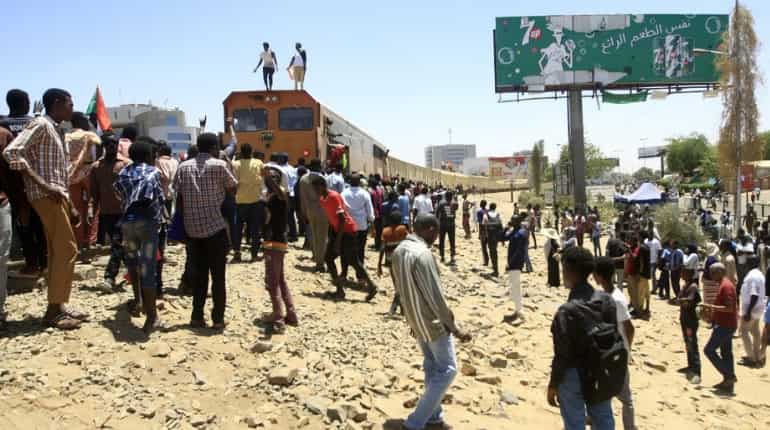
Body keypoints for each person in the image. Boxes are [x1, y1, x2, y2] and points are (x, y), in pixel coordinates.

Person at [2, 88, 87, 330]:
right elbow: (12, 152)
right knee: (67, 250)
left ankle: (58, 305)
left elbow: (59, 174)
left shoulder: (55, 129)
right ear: (58, 103)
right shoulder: (41, 124)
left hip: (56, 196)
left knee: (58, 251)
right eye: (70, 104)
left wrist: (70, 205)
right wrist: (42, 184)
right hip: (45, 196)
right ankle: (53, 311)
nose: (72, 109)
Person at [390, 213, 472, 430]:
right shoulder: (422, 254)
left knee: (431, 366)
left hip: (415, 320)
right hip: (432, 323)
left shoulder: (399, 250)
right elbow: (435, 297)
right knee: (448, 369)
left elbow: (400, 289)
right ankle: (415, 421)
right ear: (430, 230)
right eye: (436, 233)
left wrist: (410, 318)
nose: (437, 237)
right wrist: (454, 328)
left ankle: (433, 416)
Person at [548, 246, 616, 430]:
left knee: (574, 424)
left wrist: (553, 384)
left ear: (569, 271)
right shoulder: (607, 300)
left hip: (573, 375)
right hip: (601, 370)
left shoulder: (566, 311)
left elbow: (562, 355)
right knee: (604, 419)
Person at [174, 133, 237, 330]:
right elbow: (233, 188)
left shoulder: (183, 167)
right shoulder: (219, 165)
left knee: (199, 275)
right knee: (218, 277)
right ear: (214, 148)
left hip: (192, 231)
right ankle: (218, 319)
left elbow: (179, 197)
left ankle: (196, 316)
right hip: (215, 228)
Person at [114, 138, 165, 334]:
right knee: (147, 268)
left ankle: (138, 301)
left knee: (133, 264)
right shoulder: (153, 172)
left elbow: (119, 194)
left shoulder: (123, 173)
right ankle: (151, 318)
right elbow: (158, 198)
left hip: (128, 223)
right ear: (147, 156)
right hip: (148, 223)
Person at [0, 89, 46, 276]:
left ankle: (31, 264)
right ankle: (45, 264)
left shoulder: (3, 125)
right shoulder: (33, 122)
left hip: (14, 184)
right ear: (26, 103)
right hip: (37, 181)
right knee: (41, 223)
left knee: (23, 225)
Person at [312, 175, 377, 301]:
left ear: (323, 186)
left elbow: (342, 219)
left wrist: (337, 241)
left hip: (347, 231)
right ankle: (341, 289)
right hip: (338, 231)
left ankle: (370, 286)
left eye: (316, 188)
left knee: (352, 261)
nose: (315, 191)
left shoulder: (334, 196)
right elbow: (332, 218)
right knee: (331, 258)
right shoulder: (322, 199)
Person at [593, 257, 637, 430]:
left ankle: (629, 426)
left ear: (599, 276)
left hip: (618, 354)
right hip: (609, 352)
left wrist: (627, 350)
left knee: (625, 397)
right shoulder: (606, 295)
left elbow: (629, 328)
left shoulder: (616, 299)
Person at [90, 135, 129, 291]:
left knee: (117, 243)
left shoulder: (126, 164)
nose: (111, 145)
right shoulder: (96, 167)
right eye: (108, 143)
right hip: (106, 212)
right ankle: (133, 270)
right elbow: (94, 192)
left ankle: (109, 277)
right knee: (118, 244)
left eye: (114, 143)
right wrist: (92, 211)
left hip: (124, 211)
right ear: (104, 145)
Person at [261, 165, 297, 326]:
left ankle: (277, 316)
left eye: (274, 178)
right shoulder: (270, 197)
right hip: (275, 241)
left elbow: (279, 193)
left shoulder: (281, 195)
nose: (270, 180)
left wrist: (267, 176)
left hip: (274, 242)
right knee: (280, 279)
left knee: (272, 281)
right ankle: (291, 314)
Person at [65, 112, 101, 254]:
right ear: (80, 121)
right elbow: (99, 145)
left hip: (72, 174)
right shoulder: (88, 135)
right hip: (87, 171)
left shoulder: (66, 136)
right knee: (94, 206)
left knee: (76, 208)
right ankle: (91, 240)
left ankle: (78, 241)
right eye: (86, 120)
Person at [702, 263, 738, 394]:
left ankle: (729, 376)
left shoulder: (726, 286)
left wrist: (711, 307)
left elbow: (729, 308)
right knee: (726, 353)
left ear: (720, 272)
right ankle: (728, 382)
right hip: (725, 324)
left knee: (709, 350)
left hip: (725, 325)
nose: (711, 276)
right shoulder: (723, 284)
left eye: (713, 273)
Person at [231, 143, 264, 262]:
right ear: (252, 151)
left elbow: (233, 182)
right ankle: (254, 255)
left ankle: (237, 253)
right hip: (255, 200)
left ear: (241, 152)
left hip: (240, 201)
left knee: (238, 229)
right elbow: (264, 177)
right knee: (255, 229)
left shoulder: (236, 164)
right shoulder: (259, 163)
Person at [341, 174, 374, 280]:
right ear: (359, 182)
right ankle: (360, 276)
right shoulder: (365, 194)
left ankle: (344, 274)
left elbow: (341, 209)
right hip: (361, 226)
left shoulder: (343, 193)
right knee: (360, 251)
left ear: (349, 181)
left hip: (348, 227)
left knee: (345, 251)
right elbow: (370, 211)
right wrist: (371, 222)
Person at [676, 251, 702, 384]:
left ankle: (696, 371)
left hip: (690, 320)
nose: (681, 274)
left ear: (689, 273)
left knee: (692, 343)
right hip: (685, 319)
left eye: (684, 272)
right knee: (688, 342)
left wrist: (680, 301)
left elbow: (690, 301)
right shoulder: (685, 285)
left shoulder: (693, 286)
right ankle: (690, 365)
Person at [298, 159, 327, 271]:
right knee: (322, 237)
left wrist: (303, 212)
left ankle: (316, 256)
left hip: (310, 210)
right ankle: (321, 262)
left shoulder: (303, 179)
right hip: (323, 210)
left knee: (314, 235)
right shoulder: (323, 178)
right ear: (319, 166)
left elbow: (302, 198)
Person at [378, 210, 408, 316]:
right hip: (402, 261)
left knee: (397, 285)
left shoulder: (385, 231)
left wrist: (379, 265)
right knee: (401, 286)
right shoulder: (403, 229)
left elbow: (382, 248)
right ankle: (393, 308)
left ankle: (403, 309)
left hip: (390, 261)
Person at [738, 256, 766, 367]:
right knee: (755, 332)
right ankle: (757, 355)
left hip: (751, 308)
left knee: (743, 331)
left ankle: (751, 358)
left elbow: (754, 294)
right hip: (759, 307)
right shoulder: (760, 274)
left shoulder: (752, 276)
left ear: (749, 263)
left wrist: (748, 311)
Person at [503, 215, 528, 322]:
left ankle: (520, 312)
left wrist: (510, 263)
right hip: (513, 261)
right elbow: (503, 238)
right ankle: (517, 310)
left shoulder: (521, 233)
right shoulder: (514, 231)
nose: (511, 221)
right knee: (514, 286)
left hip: (516, 262)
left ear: (517, 222)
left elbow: (519, 251)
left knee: (516, 286)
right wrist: (505, 228)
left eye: (513, 220)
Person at [435, 191, 457, 265]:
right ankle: (452, 256)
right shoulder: (454, 203)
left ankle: (442, 256)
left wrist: (436, 222)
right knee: (452, 241)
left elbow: (437, 213)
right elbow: (455, 211)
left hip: (443, 224)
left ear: (445, 196)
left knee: (441, 240)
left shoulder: (441, 203)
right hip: (451, 224)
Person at [482, 203, 503, 277]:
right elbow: (501, 225)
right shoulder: (498, 215)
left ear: (489, 208)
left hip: (490, 236)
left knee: (492, 252)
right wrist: (502, 239)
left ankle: (495, 270)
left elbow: (484, 225)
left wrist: (484, 236)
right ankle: (495, 269)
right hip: (496, 236)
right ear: (495, 208)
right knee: (495, 251)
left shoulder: (486, 215)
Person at [477, 200, 488, 266]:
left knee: (484, 247)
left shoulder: (479, 211)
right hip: (489, 231)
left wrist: (479, 234)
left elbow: (480, 223)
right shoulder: (488, 211)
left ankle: (486, 261)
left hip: (483, 231)